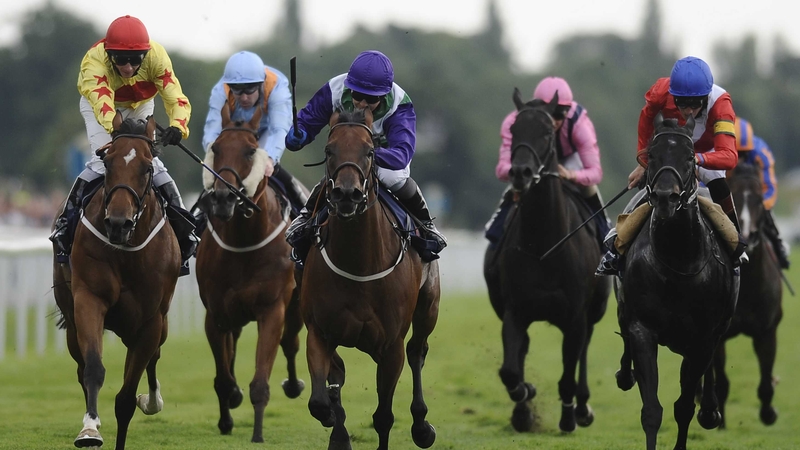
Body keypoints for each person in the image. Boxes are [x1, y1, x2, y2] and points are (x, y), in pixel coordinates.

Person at [50, 15, 197, 275]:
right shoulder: (94, 60)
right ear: (109, 54)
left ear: (145, 54)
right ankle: (65, 223)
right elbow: (102, 103)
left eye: (134, 60)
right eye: (120, 59)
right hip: (102, 108)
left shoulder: (157, 57)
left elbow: (175, 96)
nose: (127, 67)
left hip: (140, 105)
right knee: (103, 161)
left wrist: (178, 126)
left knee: (149, 162)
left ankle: (184, 228)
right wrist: (118, 133)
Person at [284, 50, 446, 262]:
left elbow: (402, 154)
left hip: (384, 157)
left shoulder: (400, 105)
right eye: (357, 95)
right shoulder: (334, 89)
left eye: (370, 98)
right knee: (339, 173)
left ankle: (425, 224)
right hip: (347, 157)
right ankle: (306, 218)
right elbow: (307, 120)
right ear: (349, 86)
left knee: (393, 178)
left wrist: (366, 154)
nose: (361, 103)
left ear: (383, 95)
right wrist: (299, 134)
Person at [597, 56, 744, 276]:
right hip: (672, 148)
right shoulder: (661, 92)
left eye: (696, 103)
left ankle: (735, 245)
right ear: (673, 95)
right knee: (656, 189)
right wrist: (644, 162)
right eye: (682, 103)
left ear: (706, 96)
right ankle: (616, 250)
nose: (689, 110)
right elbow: (646, 118)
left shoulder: (721, 104)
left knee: (718, 184)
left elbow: (729, 156)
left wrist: (697, 160)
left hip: (705, 152)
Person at [485, 76, 610, 248]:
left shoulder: (580, 124)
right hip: (534, 161)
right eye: (550, 112)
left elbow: (595, 172)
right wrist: (518, 173)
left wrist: (571, 174)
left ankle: (606, 238)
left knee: (589, 187)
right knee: (516, 185)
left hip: (568, 161)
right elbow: (502, 169)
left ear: (568, 110)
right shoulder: (516, 121)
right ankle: (496, 236)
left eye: (560, 114)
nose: (554, 120)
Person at [202, 51, 307, 212]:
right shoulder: (221, 90)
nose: (244, 97)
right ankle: (196, 220)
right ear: (229, 86)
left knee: (271, 168)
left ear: (261, 84)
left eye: (250, 89)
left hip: (265, 134)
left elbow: (279, 130)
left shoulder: (276, 88)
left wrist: (270, 159)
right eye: (237, 90)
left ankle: (305, 211)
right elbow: (212, 129)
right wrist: (211, 153)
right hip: (233, 138)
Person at [735, 116, 790, 269]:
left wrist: (759, 207)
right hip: (729, 198)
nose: (737, 160)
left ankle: (779, 250)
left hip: (755, 201)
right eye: (734, 153)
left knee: (767, 219)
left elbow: (770, 189)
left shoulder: (761, 153)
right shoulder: (716, 148)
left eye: (742, 154)